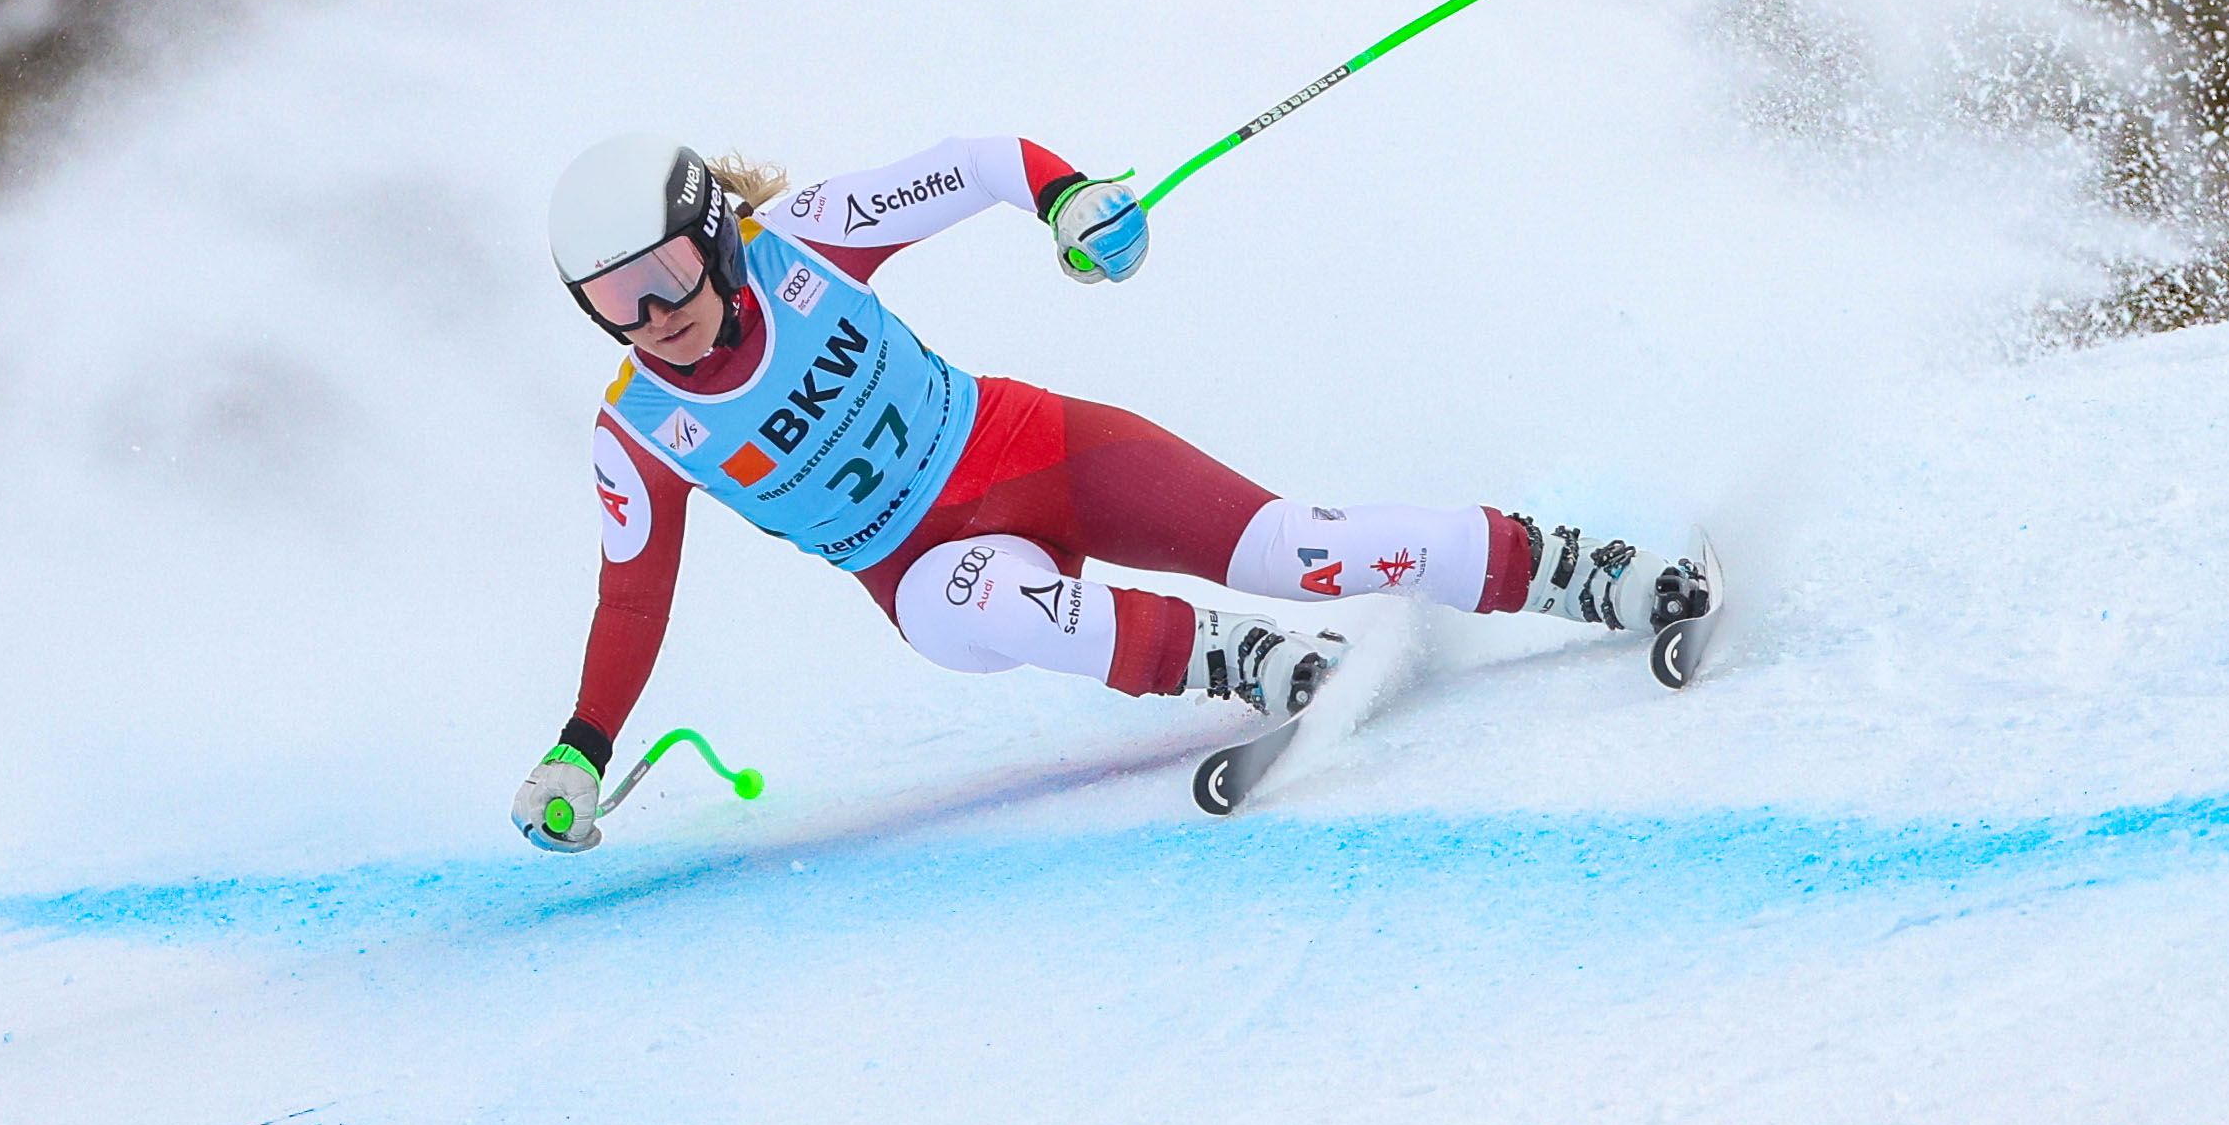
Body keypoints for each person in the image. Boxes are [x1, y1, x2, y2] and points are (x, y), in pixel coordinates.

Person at [513, 133, 1710, 852]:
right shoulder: (642, 429)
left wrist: (1068, 201)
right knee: (978, 601)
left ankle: (1587, 569)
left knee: (1291, 546)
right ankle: (1246, 663)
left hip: (1041, 449)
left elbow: (977, 164)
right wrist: (580, 749)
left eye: (667, 274)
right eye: (617, 304)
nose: (657, 318)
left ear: (717, 236)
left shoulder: (806, 240)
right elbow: (633, 600)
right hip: (927, 572)